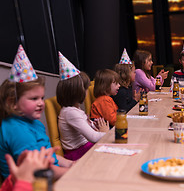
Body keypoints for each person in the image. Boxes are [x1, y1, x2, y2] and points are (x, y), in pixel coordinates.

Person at [0, 45, 72, 180]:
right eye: (34, 98)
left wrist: (70, 164)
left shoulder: (34, 124)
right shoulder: (16, 130)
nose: (41, 103)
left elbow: (46, 156)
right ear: (12, 103)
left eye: (42, 98)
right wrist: (72, 173)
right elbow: (39, 169)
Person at [56, 52, 109, 161]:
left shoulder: (74, 109)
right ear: (76, 91)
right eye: (85, 89)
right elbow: (93, 137)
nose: (86, 92)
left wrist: (96, 126)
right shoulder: (70, 112)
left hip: (85, 148)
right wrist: (107, 133)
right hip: (78, 154)